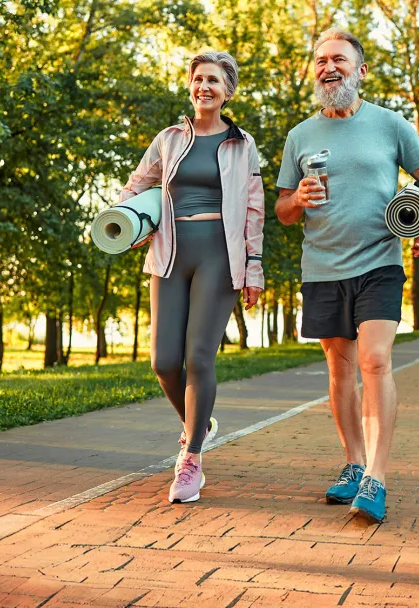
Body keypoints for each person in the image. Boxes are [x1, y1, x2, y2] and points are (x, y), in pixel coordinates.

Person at [274, 29, 419, 522]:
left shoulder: (391, 125)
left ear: (361, 70)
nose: (329, 67)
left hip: (380, 262)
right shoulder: (299, 136)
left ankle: (376, 476)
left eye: (339, 60)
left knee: (374, 361)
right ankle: (352, 462)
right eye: (320, 60)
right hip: (323, 266)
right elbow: (283, 210)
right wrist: (296, 201)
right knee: (340, 369)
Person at [118, 51, 265, 504]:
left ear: (227, 91)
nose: (205, 87)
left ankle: (192, 459)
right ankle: (198, 422)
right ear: (190, 86)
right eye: (199, 79)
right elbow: (136, 185)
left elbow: (255, 208)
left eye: (214, 81)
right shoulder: (168, 139)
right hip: (169, 254)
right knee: (163, 362)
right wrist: (128, 219)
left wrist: (254, 267)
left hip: (220, 256)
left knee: (199, 358)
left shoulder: (242, 144)